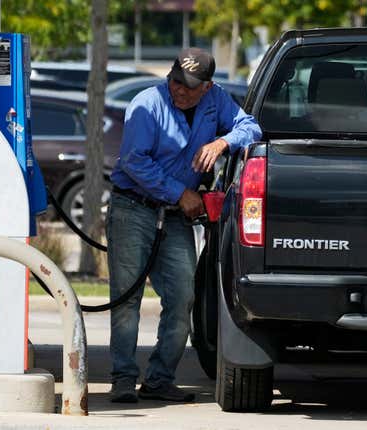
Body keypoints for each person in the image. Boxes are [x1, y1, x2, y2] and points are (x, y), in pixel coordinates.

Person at [107, 47, 262, 403]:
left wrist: (223, 141)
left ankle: (160, 379)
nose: (180, 89)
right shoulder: (147, 104)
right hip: (134, 208)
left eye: (190, 86)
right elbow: (134, 161)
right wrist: (180, 193)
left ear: (207, 87)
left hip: (176, 216)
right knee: (127, 299)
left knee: (182, 298)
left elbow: (251, 127)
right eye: (176, 80)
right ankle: (123, 379)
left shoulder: (217, 101)